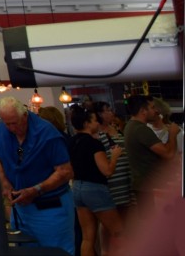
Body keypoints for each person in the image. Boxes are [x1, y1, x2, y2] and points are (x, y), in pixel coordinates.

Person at [0, 97, 74, 254]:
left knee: (57, 252)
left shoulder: (47, 133)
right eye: (7, 123)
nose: (11, 128)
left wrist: (37, 189)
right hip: (21, 209)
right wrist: (4, 182)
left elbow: (65, 172)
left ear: (25, 115)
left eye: (14, 123)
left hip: (50, 207)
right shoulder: (0, 131)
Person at [68, 104, 123, 256]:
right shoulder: (93, 144)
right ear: (86, 124)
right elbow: (107, 170)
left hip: (77, 188)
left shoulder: (71, 142)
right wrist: (115, 156)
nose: (97, 123)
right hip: (95, 189)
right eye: (94, 121)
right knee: (119, 232)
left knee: (87, 238)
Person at [124, 94, 179, 211]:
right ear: (143, 111)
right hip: (150, 187)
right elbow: (168, 154)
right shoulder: (141, 129)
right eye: (152, 107)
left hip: (145, 186)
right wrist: (173, 134)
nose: (156, 111)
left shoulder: (131, 126)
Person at [93, 101, 133, 218]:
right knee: (113, 216)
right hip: (112, 179)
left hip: (125, 176)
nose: (112, 113)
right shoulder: (96, 134)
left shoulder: (116, 128)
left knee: (126, 214)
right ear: (100, 114)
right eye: (108, 110)